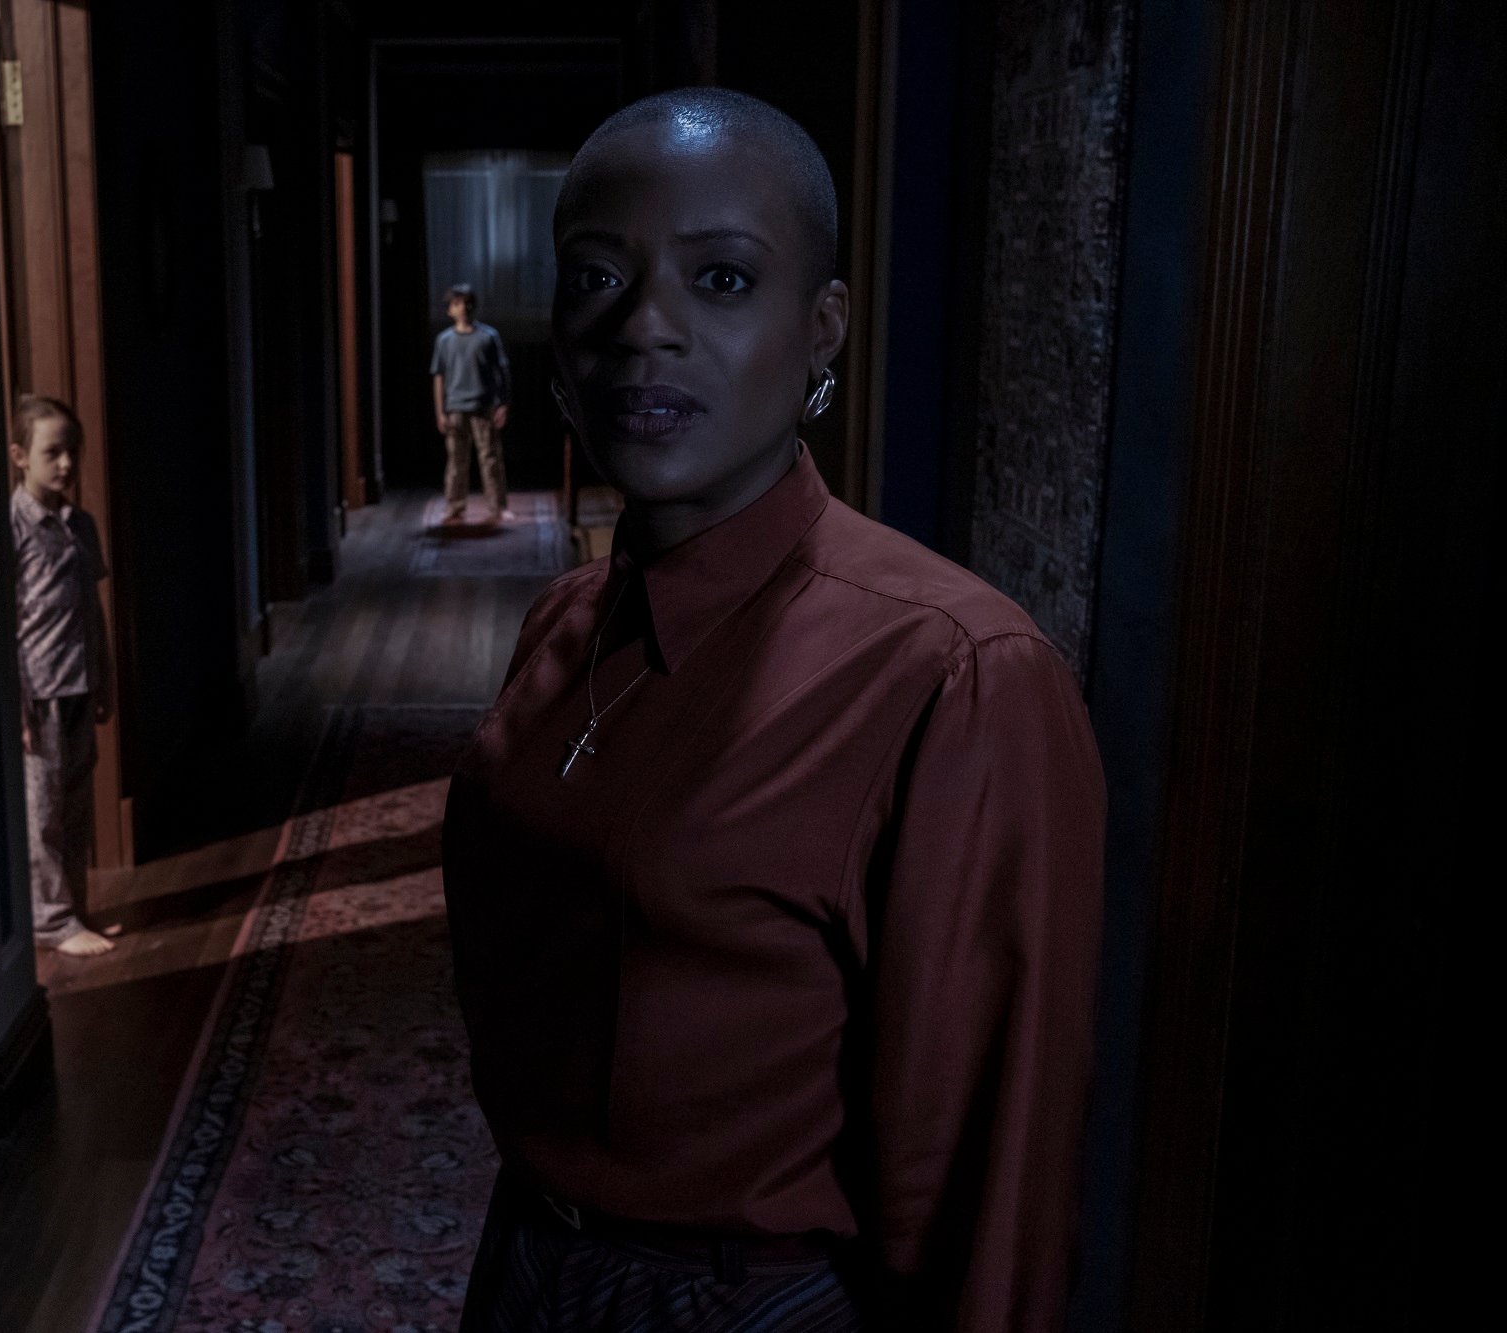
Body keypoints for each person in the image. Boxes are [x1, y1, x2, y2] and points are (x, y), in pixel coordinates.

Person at [441, 89, 1105, 1333]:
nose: (644, 326)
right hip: (527, 1258)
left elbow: (983, 1192)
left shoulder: (954, 675)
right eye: (596, 277)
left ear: (821, 328)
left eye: (722, 280)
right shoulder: (564, 620)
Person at [9, 393, 122, 959]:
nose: (66, 464)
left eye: (72, 452)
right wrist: (17, 701)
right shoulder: (14, 527)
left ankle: (75, 908)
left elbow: (91, 609)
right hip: (41, 692)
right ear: (19, 456)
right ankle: (51, 920)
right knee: (44, 812)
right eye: (52, 453)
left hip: (79, 682)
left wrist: (104, 677)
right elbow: (5, 620)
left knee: (76, 804)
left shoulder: (81, 524)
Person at [431, 282, 516, 524]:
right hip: (455, 407)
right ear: (450, 309)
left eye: (467, 303)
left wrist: (504, 404)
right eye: (457, 304)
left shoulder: (488, 336)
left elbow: (502, 371)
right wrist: (440, 411)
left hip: (483, 406)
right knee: (456, 461)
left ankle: (497, 506)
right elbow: (439, 377)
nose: (463, 308)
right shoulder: (444, 340)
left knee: (490, 459)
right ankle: (454, 505)